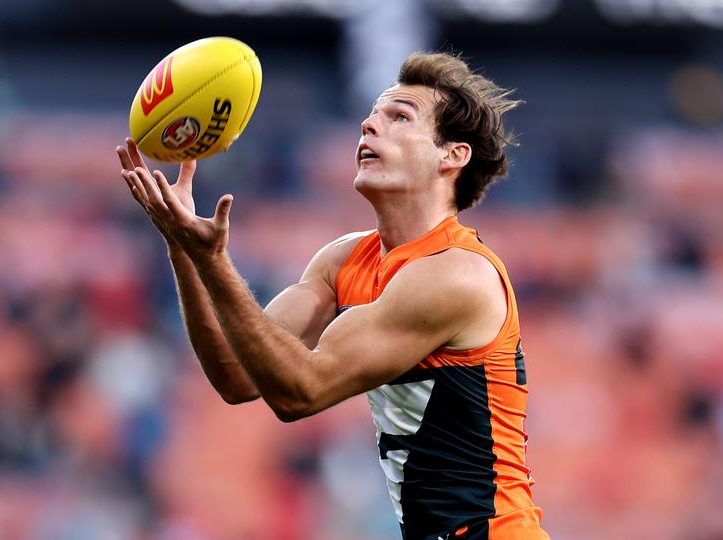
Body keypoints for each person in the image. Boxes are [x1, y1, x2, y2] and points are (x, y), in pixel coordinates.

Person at [116, 51, 549, 540]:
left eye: (399, 116)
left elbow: (300, 392)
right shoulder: (344, 259)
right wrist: (184, 248)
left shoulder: (456, 275)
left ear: (452, 155)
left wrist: (213, 261)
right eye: (370, 115)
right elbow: (237, 377)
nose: (368, 125)